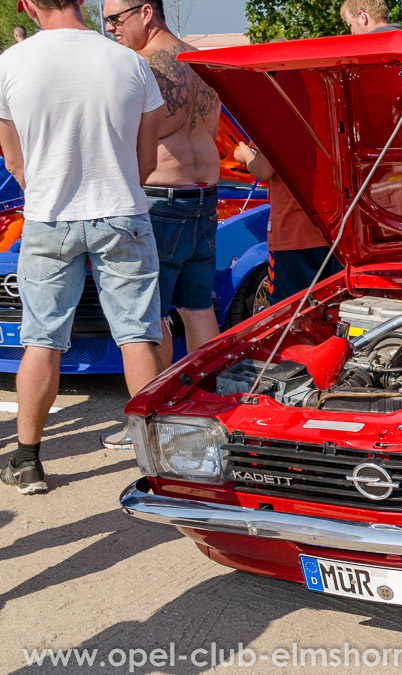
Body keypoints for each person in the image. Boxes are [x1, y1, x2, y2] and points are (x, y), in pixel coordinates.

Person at [0, 0, 164, 494]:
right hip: (121, 208)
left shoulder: (10, 64)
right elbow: (147, 157)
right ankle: (158, 468)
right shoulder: (129, 61)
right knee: (137, 334)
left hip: (49, 216)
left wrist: (48, 189)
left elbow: (13, 159)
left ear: (29, 5)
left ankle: (27, 461)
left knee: (42, 339)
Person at [102, 0, 221, 447]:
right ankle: (207, 408)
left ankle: (156, 418)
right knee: (198, 307)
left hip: (160, 200)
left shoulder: (138, 68)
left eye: (116, 18)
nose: (110, 28)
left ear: (146, 12)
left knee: (149, 319)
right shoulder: (198, 60)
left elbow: (121, 137)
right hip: (203, 196)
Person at [233, 141, 342, 306]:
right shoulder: (330, 116)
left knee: (288, 311)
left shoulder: (280, 117)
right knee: (332, 306)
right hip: (335, 229)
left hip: (292, 231)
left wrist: (244, 153)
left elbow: (263, 170)